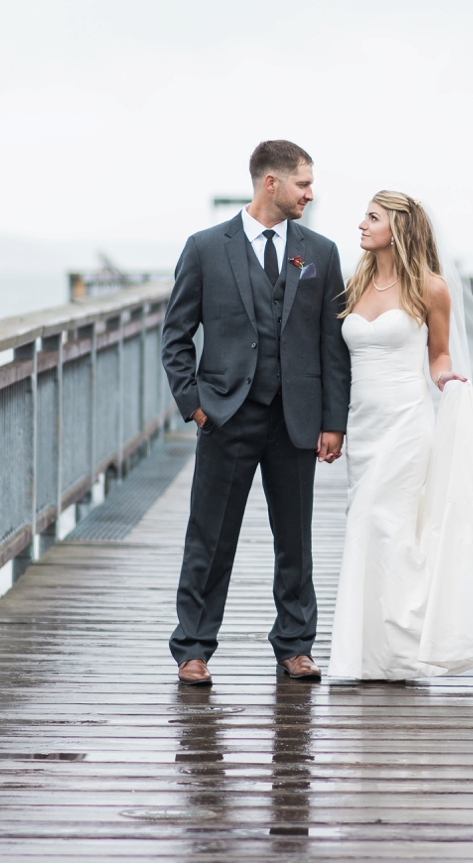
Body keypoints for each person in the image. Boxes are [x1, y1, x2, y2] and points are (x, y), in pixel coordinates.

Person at [161, 140, 350, 686]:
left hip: (296, 419)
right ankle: (193, 648)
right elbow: (176, 336)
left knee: (295, 538)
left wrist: (333, 420)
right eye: (303, 184)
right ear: (271, 183)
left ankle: (295, 645)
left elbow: (331, 344)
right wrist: (195, 406)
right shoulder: (204, 248)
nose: (310, 195)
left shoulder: (321, 252)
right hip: (225, 416)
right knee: (210, 537)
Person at [328, 190, 473, 680]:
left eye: (372, 217)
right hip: (363, 427)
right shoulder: (356, 282)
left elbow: (438, 353)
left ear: (399, 227)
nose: (361, 224)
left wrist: (445, 378)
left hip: (407, 424)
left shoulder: (431, 288)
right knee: (368, 526)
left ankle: (401, 650)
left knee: (386, 525)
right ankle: (370, 654)